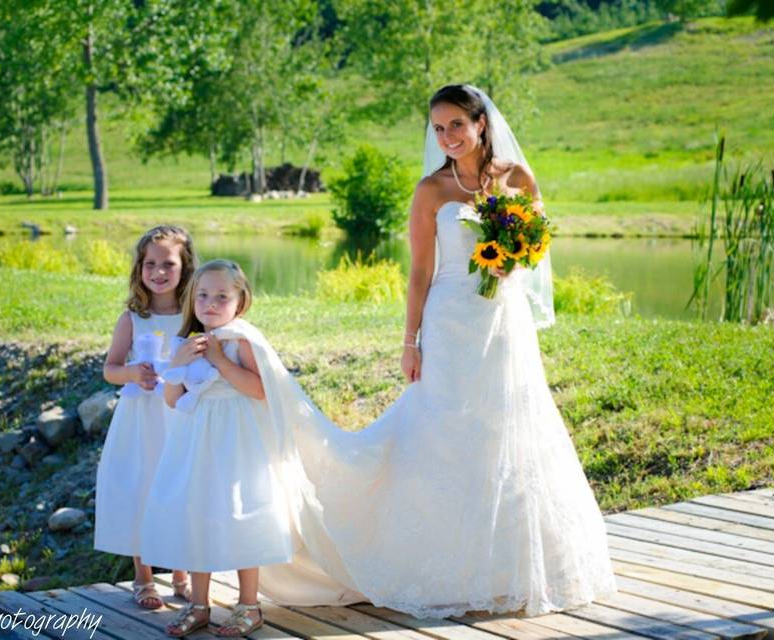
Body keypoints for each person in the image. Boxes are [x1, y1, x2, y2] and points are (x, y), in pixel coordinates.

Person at [249, 84, 617, 619]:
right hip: (448, 322)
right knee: (443, 431)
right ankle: (431, 560)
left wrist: (511, 261)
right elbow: (419, 271)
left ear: (481, 124)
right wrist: (410, 341)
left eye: (456, 126)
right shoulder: (431, 191)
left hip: (504, 322)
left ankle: (506, 568)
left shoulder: (516, 178)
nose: (447, 137)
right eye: (438, 129)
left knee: (507, 425)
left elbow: (537, 241)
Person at [139, 260, 293, 637]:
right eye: (203, 295)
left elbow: (260, 390)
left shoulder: (241, 340)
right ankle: (199, 604)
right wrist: (177, 362)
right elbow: (173, 399)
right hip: (195, 438)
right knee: (198, 511)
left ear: (240, 302)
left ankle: (249, 604)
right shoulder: (186, 341)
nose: (210, 303)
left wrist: (221, 361)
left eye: (222, 296)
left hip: (235, 437)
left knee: (240, 511)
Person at [93, 225, 197, 610]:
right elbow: (110, 368)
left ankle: (183, 573)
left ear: (184, 268)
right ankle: (144, 575)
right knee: (142, 486)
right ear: (139, 268)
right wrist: (133, 373)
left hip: (181, 415)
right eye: (149, 264)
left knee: (181, 487)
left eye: (168, 264)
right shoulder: (133, 319)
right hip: (142, 417)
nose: (158, 272)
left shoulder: (193, 316)